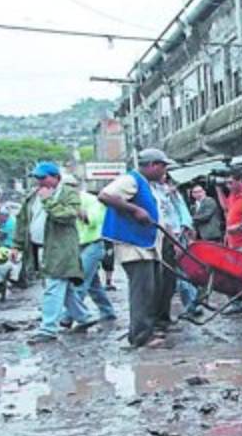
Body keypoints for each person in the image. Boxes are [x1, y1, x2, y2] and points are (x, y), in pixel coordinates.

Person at [99, 148, 173, 348]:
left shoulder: (147, 185)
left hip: (147, 245)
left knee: (153, 289)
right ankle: (141, 336)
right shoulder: (131, 180)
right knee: (142, 292)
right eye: (163, 167)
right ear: (152, 165)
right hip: (135, 246)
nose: (164, 171)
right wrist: (136, 210)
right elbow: (105, 195)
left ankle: (148, 329)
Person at [13, 162, 95, 344]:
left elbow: (66, 216)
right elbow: (23, 221)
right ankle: (84, 316)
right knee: (63, 288)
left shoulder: (68, 194)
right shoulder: (32, 196)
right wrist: (17, 245)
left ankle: (48, 328)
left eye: (43, 178)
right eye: (37, 178)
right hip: (39, 248)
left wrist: (48, 201)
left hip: (62, 249)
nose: (39, 182)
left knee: (54, 285)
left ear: (56, 177)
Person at [74, 177, 117, 324]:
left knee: (80, 281)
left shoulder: (92, 201)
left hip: (94, 243)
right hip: (78, 245)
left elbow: (92, 221)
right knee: (93, 284)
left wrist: (75, 209)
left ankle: (67, 316)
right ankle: (107, 311)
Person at [159, 177, 201, 322]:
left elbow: (178, 219)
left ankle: (193, 304)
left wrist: (181, 236)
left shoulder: (171, 196)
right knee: (179, 274)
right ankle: (193, 303)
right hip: (176, 236)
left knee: (179, 274)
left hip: (176, 237)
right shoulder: (171, 196)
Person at [220, 171, 242, 251]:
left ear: (240, 181)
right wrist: (218, 189)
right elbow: (226, 207)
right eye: (226, 183)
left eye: (231, 183)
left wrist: (237, 228)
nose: (228, 186)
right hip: (233, 242)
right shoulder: (233, 195)